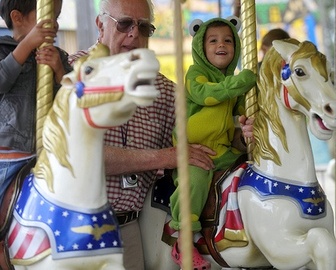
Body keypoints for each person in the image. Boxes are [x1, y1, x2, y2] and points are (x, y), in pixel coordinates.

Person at [69, 0, 255, 269]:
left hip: (131, 226)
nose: (134, 33)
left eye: (144, 27)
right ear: (100, 25)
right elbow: (83, 157)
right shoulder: (71, 74)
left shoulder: (165, 92)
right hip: (77, 224)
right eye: (124, 24)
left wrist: (245, 134)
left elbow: (208, 141)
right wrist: (166, 157)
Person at [168, 17, 256, 269]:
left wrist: (247, 128)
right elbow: (206, 95)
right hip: (194, 150)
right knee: (194, 180)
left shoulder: (237, 84)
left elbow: (240, 117)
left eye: (228, 40)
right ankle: (183, 242)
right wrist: (242, 82)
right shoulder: (196, 74)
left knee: (250, 174)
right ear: (201, 47)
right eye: (213, 40)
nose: (222, 45)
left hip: (224, 151)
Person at [0, 0, 72, 204]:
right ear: (17, 18)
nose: (54, 24)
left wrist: (59, 71)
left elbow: (73, 99)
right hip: (9, 153)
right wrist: (27, 45)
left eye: (56, 17)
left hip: (49, 153)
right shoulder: (4, 51)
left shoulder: (58, 57)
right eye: (46, 16)